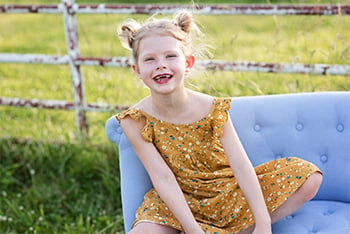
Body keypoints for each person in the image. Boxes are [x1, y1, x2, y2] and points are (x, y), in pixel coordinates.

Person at [114, 10, 323, 234]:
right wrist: (192, 229)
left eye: (170, 56)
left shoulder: (212, 108)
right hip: (176, 203)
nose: (161, 65)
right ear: (137, 70)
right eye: (149, 59)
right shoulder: (134, 120)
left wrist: (263, 223)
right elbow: (163, 178)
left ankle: (243, 228)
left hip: (227, 194)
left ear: (188, 63)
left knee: (309, 176)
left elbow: (241, 165)